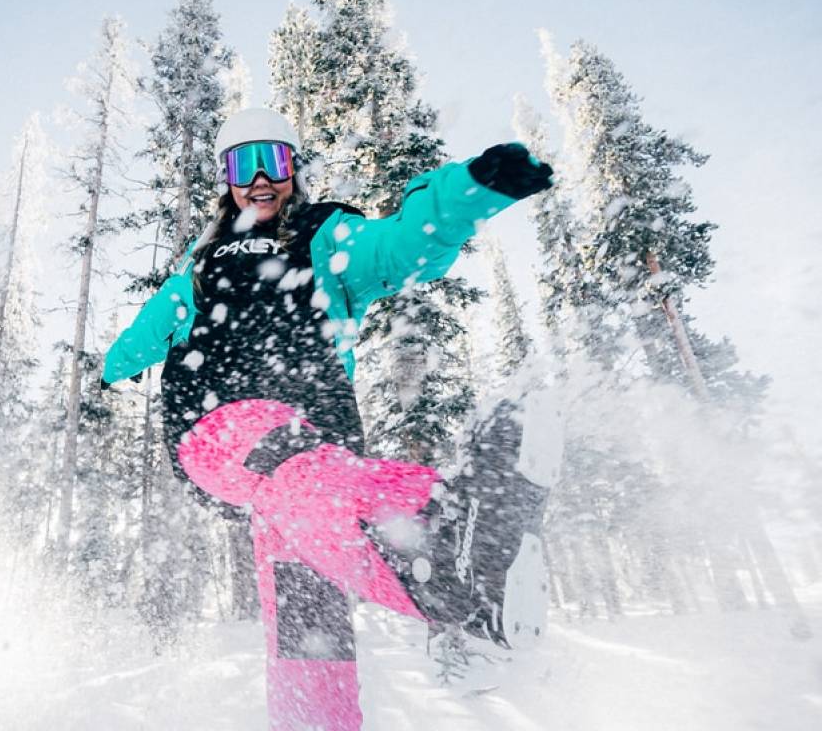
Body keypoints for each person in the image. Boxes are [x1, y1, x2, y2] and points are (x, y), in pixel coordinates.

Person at [103, 107, 554, 730]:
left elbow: (401, 247)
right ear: (224, 178)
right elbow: (151, 327)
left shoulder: (325, 236)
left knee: (308, 624)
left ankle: (467, 576)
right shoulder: (202, 260)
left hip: (320, 451)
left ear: (295, 170)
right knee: (292, 463)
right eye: (242, 163)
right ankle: (450, 546)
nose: (259, 178)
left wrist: (470, 191)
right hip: (216, 424)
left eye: (275, 161)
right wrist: (108, 369)